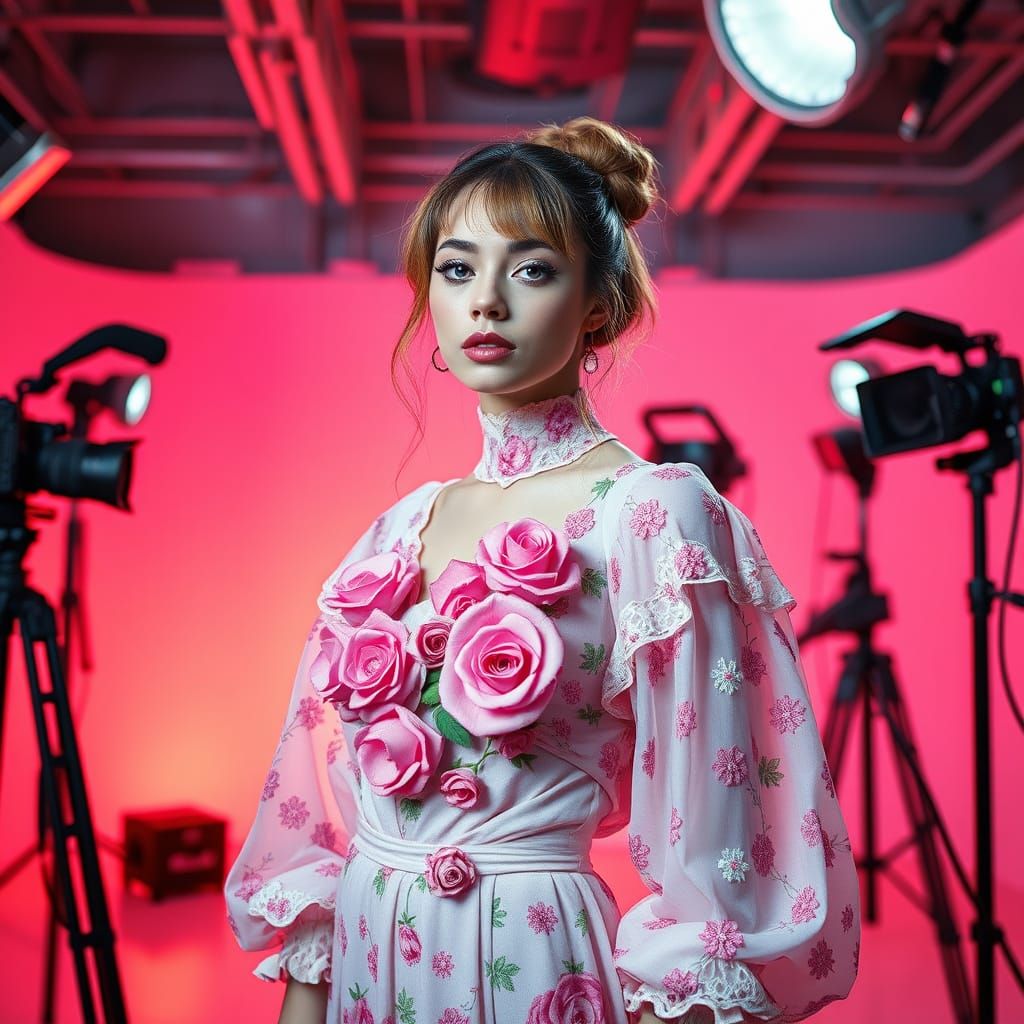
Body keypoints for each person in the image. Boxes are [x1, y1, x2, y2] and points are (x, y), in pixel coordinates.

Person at [224, 116, 860, 1024]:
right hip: (370, 953)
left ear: (597, 304)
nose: (485, 301)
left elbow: (726, 839)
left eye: (530, 269)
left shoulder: (656, 513)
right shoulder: (398, 530)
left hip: (532, 954)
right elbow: (312, 813)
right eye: (456, 268)